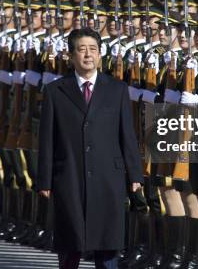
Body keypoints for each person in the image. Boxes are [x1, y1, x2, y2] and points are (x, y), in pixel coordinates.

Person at [36, 27, 144, 269]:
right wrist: (44, 180)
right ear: (71, 55)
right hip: (70, 176)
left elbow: (127, 134)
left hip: (108, 177)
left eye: (93, 49)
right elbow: (47, 139)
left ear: (100, 54)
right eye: (82, 50)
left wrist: (134, 174)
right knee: (70, 244)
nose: (88, 55)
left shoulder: (116, 89)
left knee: (107, 248)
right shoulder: (55, 90)